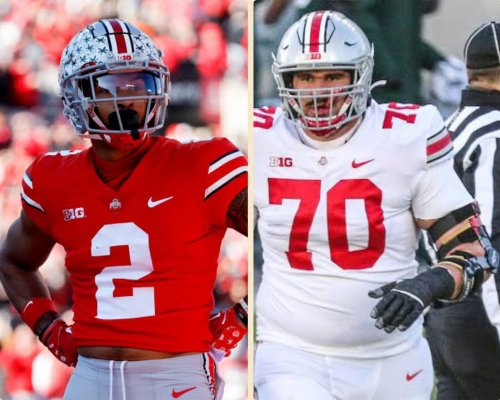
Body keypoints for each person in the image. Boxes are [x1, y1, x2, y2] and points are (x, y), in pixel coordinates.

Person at [253, 11, 498, 400]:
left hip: (393, 359)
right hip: (291, 355)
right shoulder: (261, 138)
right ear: (286, 79)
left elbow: (475, 252)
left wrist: (426, 284)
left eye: (333, 76)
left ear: (361, 76)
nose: (318, 92)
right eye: (306, 77)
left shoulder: (405, 137)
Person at [0, 19, 248, 400]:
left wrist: (245, 315)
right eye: (110, 85)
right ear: (75, 94)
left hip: (175, 376)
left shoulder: (204, 163)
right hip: (90, 377)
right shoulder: (52, 178)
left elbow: (287, 245)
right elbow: (14, 261)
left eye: (139, 83)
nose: (127, 98)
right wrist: (48, 327)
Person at [425, 21, 500, 400]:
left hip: (444, 317)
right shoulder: (493, 135)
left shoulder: (447, 130)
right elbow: (488, 240)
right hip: (484, 313)